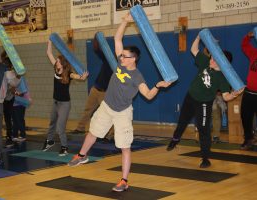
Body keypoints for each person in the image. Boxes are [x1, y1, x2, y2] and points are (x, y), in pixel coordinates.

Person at [68, 13, 171, 192]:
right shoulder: (119, 64)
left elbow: (147, 95)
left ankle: (124, 180)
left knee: (125, 147)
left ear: (133, 59)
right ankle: (82, 155)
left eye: (124, 56)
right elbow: (117, 38)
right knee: (93, 132)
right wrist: (124, 21)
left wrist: (158, 85)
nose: (120, 58)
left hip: (122, 112)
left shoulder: (137, 76)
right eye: (121, 56)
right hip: (106, 106)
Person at [167, 34, 244, 168]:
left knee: (203, 129)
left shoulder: (223, 78)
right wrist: (198, 36)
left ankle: (205, 158)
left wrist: (234, 95)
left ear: (223, 64)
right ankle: (175, 138)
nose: (212, 59)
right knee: (182, 121)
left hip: (204, 103)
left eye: (215, 59)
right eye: (213, 57)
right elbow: (193, 50)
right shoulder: (205, 61)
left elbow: (226, 96)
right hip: (190, 96)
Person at [42, 39, 88, 156]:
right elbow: (49, 53)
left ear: (62, 63)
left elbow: (79, 77)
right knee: (52, 122)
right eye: (56, 61)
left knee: (60, 127)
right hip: (55, 102)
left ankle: (64, 147)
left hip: (64, 104)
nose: (56, 62)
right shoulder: (55, 69)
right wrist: (50, 42)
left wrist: (83, 76)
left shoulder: (68, 74)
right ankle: (50, 141)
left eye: (58, 61)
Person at [70, 32, 113, 137]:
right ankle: (80, 128)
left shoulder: (119, 68)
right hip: (95, 89)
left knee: (108, 114)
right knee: (87, 110)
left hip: (105, 93)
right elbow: (98, 51)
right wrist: (96, 41)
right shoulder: (108, 60)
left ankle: (110, 134)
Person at [240, 31, 257, 150]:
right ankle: (248, 139)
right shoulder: (254, 53)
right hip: (249, 93)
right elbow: (244, 45)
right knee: (246, 117)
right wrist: (248, 36)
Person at [12, 78, 31, 143]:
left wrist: (14, 92)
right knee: (15, 119)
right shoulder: (16, 79)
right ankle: (15, 135)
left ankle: (23, 135)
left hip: (20, 102)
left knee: (19, 119)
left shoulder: (21, 79)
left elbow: (22, 92)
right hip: (17, 102)